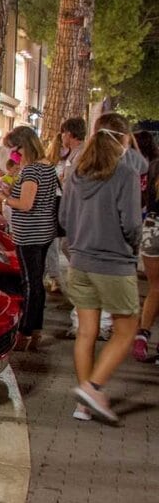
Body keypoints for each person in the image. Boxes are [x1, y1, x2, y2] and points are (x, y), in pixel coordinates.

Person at [59, 113, 142, 424]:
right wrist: (131, 248)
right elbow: (132, 223)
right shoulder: (125, 172)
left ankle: (83, 405)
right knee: (126, 329)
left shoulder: (77, 172)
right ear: (123, 139)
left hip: (80, 261)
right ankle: (93, 388)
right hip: (114, 263)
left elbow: (64, 218)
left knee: (86, 332)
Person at [0, 126, 59, 351]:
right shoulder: (48, 167)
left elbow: (26, 204)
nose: (12, 154)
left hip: (30, 233)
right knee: (36, 281)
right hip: (44, 231)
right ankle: (35, 328)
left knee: (31, 283)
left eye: (14, 148)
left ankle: (26, 331)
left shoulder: (31, 171)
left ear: (24, 146)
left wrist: (3, 197)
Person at [133, 130, 159, 361]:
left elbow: (143, 198)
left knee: (155, 287)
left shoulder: (153, 166)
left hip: (152, 227)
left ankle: (143, 335)